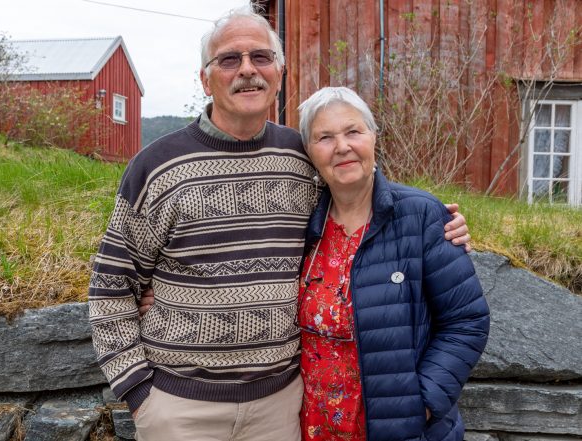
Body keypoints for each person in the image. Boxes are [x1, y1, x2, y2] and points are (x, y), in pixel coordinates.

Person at [89, 8, 471, 441]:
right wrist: (140, 392)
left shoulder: (302, 158)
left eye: (261, 57)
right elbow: (111, 288)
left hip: (281, 407)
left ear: (280, 73)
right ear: (204, 78)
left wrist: (443, 223)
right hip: (181, 409)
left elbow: (361, 197)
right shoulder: (156, 167)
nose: (248, 70)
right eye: (230, 59)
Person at [295, 86, 489, 440]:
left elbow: (466, 321)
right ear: (309, 151)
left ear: (373, 137)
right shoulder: (302, 225)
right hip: (313, 426)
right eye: (325, 137)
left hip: (399, 426)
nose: (342, 147)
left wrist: (422, 403)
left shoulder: (421, 215)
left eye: (353, 131)